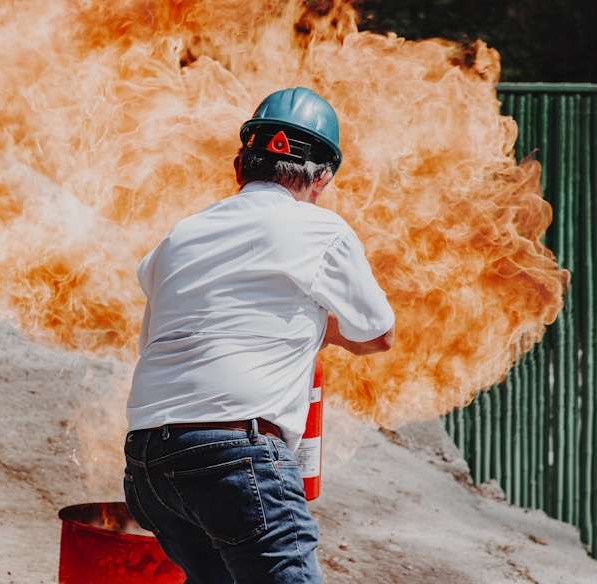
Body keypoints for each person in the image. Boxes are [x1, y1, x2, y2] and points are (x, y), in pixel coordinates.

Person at [123, 87, 396, 583]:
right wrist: (321, 325)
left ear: (238, 167)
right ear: (323, 179)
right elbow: (378, 333)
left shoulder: (180, 234)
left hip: (148, 464)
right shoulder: (320, 230)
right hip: (235, 456)